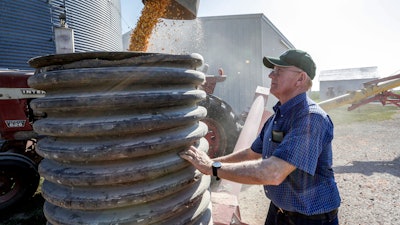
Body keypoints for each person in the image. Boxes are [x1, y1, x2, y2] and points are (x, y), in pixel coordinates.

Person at [180, 49, 341, 225]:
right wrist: (213, 162)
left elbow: (273, 172)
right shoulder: (277, 117)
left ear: (301, 79)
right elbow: (251, 153)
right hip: (278, 212)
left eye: (279, 71)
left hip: (311, 219)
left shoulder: (311, 118)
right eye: (273, 70)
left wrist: (212, 168)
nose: (271, 75)